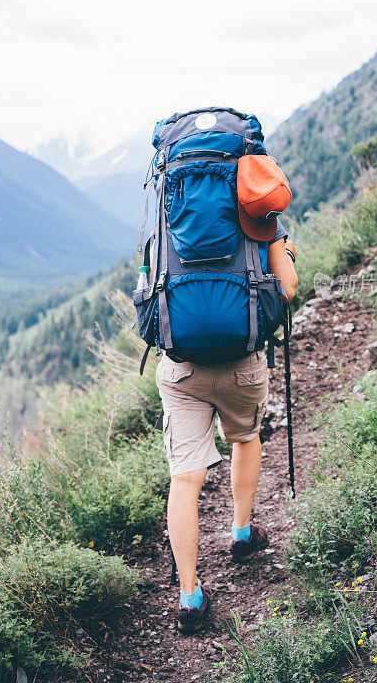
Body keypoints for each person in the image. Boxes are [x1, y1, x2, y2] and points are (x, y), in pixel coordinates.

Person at [155, 213, 298, 634]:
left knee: (183, 480)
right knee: (245, 437)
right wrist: (285, 252)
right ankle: (241, 532)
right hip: (242, 363)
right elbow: (287, 286)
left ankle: (189, 598)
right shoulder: (261, 210)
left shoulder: (170, 208)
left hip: (181, 367)